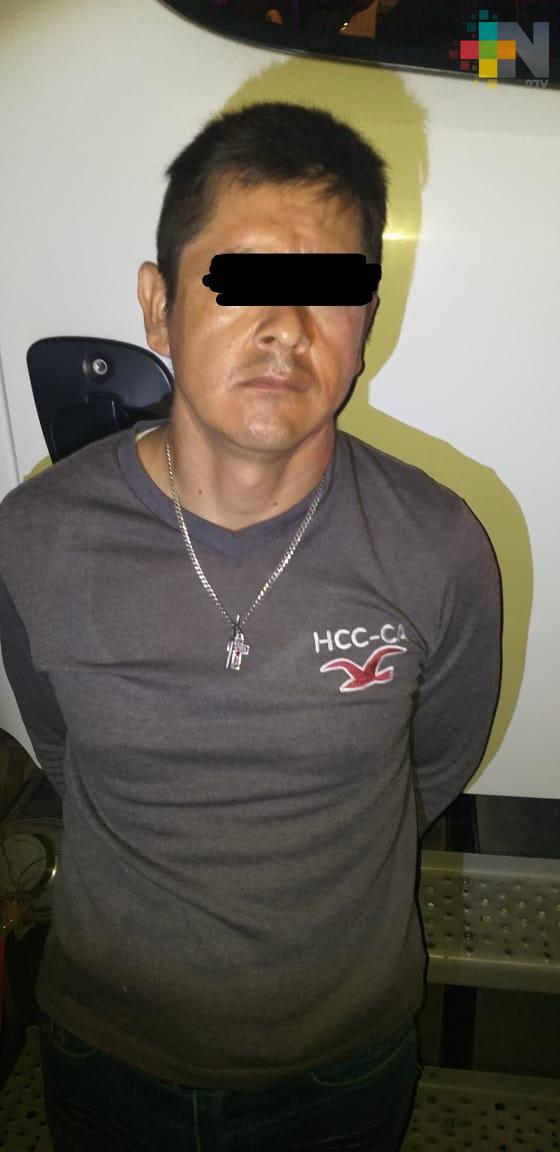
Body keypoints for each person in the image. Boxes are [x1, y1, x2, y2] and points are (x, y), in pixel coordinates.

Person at [0, 100, 502, 1152]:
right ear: (158, 307)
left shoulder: (440, 546)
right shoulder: (35, 539)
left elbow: (434, 762)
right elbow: (61, 745)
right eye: (239, 280)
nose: (286, 326)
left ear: (367, 320)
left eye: (330, 289)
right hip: (105, 1050)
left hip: (343, 1064)